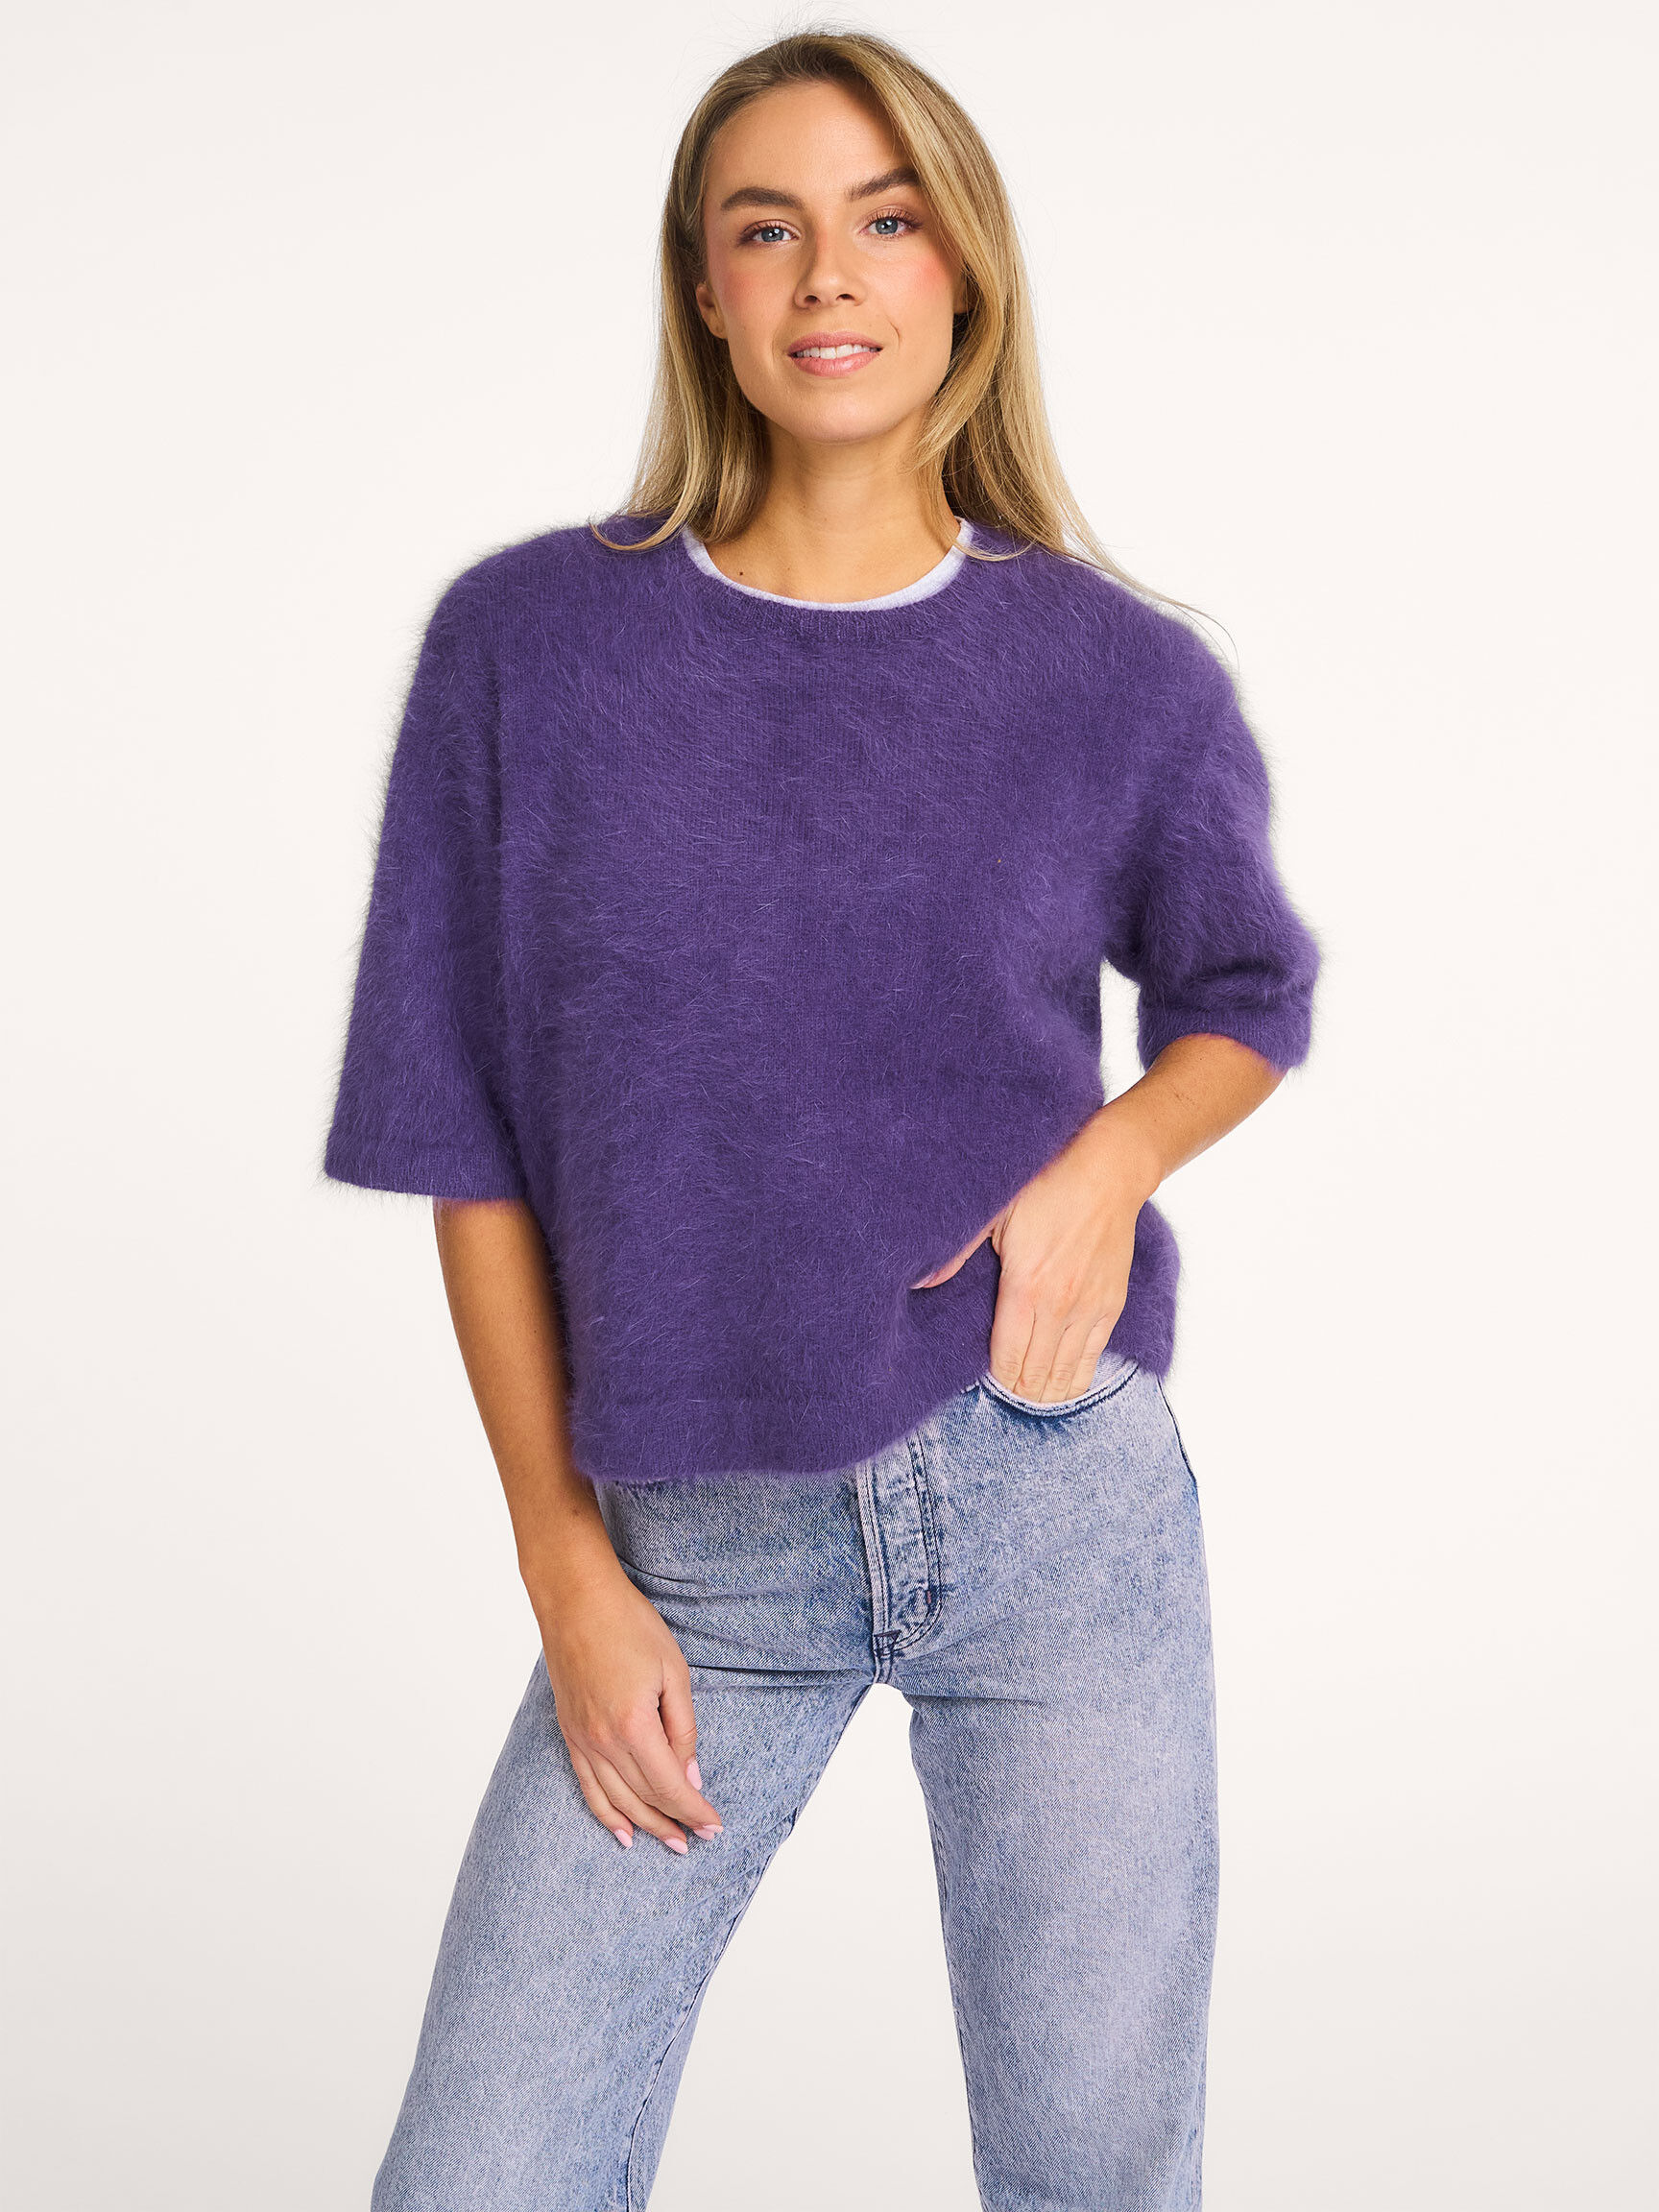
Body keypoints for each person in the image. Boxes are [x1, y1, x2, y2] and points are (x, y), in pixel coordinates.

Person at [322, 29, 1321, 2211]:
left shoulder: (1121, 676)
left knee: (1092, 2179)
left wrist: (1112, 1163)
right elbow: (459, 1127)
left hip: (1052, 1496)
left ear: (965, 271)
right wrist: (561, 1563)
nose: (829, 275)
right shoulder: (528, 652)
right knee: (480, 2178)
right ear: (704, 288)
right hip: (694, 1549)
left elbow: (1246, 995)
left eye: (886, 219)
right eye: (766, 228)